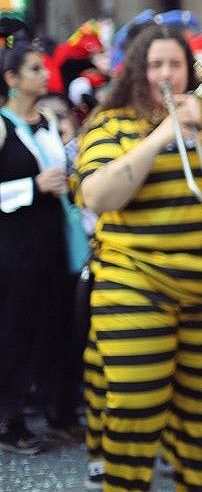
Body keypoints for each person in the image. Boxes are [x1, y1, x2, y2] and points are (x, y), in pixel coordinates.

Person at [73, 25, 202, 490]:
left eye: (176, 65)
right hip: (135, 287)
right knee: (134, 406)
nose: (167, 75)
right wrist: (160, 136)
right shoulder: (110, 125)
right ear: (138, 71)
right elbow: (96, 196)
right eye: (156, 66)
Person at [0, 40, 71, 455]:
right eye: (34, 70)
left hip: (49, 239)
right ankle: (10, 420)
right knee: (14, 327)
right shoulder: (3, 125)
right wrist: (32, 186)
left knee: (51, 324)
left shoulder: (45, 119)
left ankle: (54, 410)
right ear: (12, 80)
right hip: (13, 245)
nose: (45, 76)